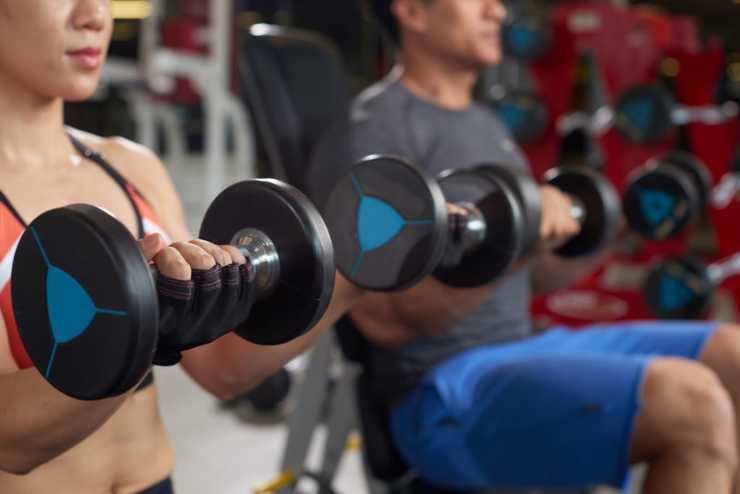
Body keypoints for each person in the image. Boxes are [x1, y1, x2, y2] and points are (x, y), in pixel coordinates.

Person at [307, 1, 740, 492]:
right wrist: (520, 243)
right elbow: (383, 319)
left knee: (733, 353)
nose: (498, 11)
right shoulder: (375, 131)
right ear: (412, 11)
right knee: (691, 405)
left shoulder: (487, 125)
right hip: (443, 389)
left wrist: (606, 229)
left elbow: (528, 275)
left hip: (526, 347)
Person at [0, 1, 362, 492]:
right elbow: (10, 441)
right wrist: (145, 337)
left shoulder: (132, 167)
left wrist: (358, 273)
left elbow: (219, 371)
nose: (94, 16)